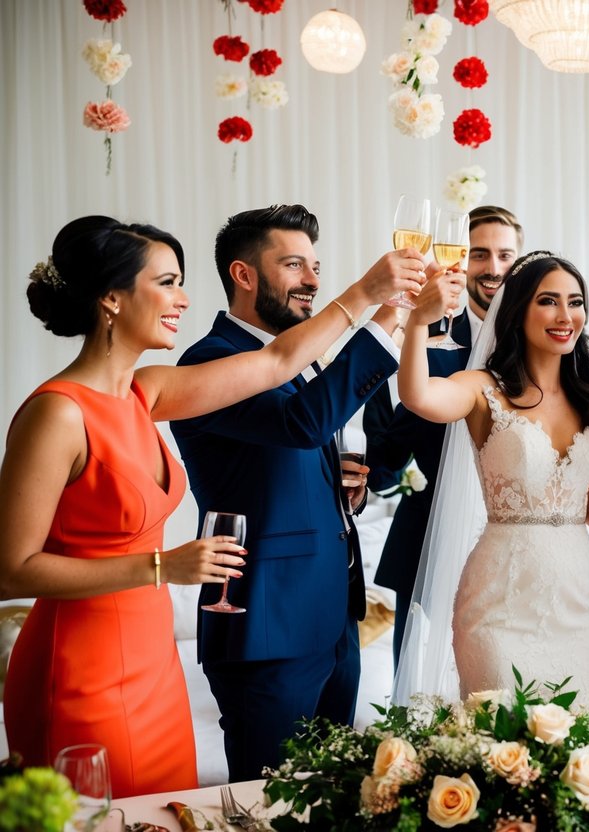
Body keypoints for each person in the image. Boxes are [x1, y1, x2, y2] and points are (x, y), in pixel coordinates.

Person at [0, 214, 419, 798]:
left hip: (155, 660)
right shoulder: (57, 412)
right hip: (81, 661)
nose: (184, 298)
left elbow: (278, 364)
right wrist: (161, 567)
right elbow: (11, 569)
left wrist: (387, 305)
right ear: (112, 298)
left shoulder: (148, 391)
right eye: (167, 282)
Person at [168, 204, 424, 782]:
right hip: (266, 626)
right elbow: (301, 425)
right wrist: (385, 314)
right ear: (244, 275)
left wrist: (345, 495)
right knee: (269, 804)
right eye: (294, 264)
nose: (313, 280)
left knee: (334, 801)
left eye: (316, 265)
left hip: (333, 621)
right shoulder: (210, 360)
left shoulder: (301, 359)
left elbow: (294, 458)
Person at [392, 251, 589, 702]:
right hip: (499, 603)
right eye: (549, 301)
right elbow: (418, 397)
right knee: (496, 741)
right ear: (518, 309)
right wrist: (416, 325)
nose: (566, 316)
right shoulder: (483, 388)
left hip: (578, 600)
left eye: (576, 301)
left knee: (572, 744)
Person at [364, 205, 524, 667]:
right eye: (479, 254)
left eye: (505, 255)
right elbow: (385, 465)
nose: (493, 269)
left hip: (514, 546)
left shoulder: (543, 340)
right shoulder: (419, 341)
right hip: (427, 544)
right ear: (458, 261)